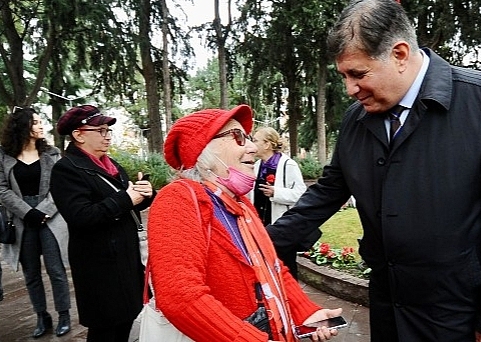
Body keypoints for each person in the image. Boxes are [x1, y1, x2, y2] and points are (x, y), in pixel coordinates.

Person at [266, 0, 481, 342]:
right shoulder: (357, 120)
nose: (350, 89)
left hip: (459, 314)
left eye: (358, 73)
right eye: (343, 77)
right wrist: (255, 243)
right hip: (387, 306)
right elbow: (326, 193)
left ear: (399, 54)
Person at [148, 105, 342, 341]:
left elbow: (273, 268)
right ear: (203, 150)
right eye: (238, 137)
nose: (252, 147)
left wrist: (306, 312)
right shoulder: (179, 199)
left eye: (249, 138)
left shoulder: (240, 204)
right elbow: (181, 296)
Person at [49, 105, 155, 342]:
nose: (107, 136)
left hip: (126, 258)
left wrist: (146, 194)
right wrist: (126, 198)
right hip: (98, 265)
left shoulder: (111, 164)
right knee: (105, 327)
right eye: (101, 130)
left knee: (127, 319)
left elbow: (129, 202)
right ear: (78, 134)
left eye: (109, 131)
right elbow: (80, 216)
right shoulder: (66, 169)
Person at [0, 106, 71, 338]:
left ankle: (64, 315)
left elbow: (60, 186)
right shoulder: (3, 156)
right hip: (22, 221)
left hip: (50, 218)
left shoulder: (52, 153)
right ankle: (42, 316)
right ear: (23, 127)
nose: (41, 126)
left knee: (56, 269)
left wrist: (43, 212)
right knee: (31, 273)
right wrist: (27, 213)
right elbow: (2, 189)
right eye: (36, 122)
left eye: (41, 122)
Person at [250, 126, 311, 278]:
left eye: (255, 140)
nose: (251, 144)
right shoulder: (257, 166)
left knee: (286, 266)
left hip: (282, 226)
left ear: (267, 144)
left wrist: (275, 193)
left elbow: (301, 193)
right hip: (261, 225)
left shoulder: (288, 165)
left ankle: (292, 299)